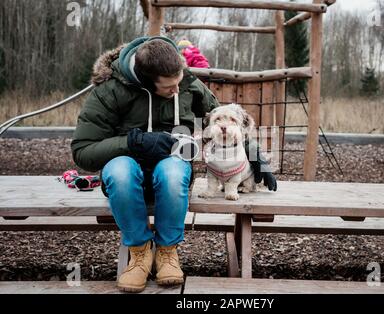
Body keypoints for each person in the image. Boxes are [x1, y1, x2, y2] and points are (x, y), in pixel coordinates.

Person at [71, 36, 276, 293]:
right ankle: (140, 252)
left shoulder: (186, 82)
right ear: (145, 82)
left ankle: (167, 252)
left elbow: (222, 119)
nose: (177, 90)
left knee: (172, 171)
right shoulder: (110, 90)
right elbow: (83, 151)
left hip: (172, 166)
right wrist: (134, 142)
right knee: (121, 172)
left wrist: (253, 152)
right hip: (125, 165)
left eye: (179, 81)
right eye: (169, 87)